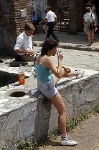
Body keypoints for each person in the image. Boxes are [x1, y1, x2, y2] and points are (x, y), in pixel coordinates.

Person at [35, 37, 85, 146]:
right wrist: (60, 59)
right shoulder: (47, 59)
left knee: (62, 70)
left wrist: (63, 65)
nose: (57, 50)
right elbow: (57, 74)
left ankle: (76, 73)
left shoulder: (40, 56)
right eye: (55, 48)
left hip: (41, 84)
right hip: (47, 87)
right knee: (63, 111)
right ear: (50, 49)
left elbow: (55, 70)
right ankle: (64, 138)